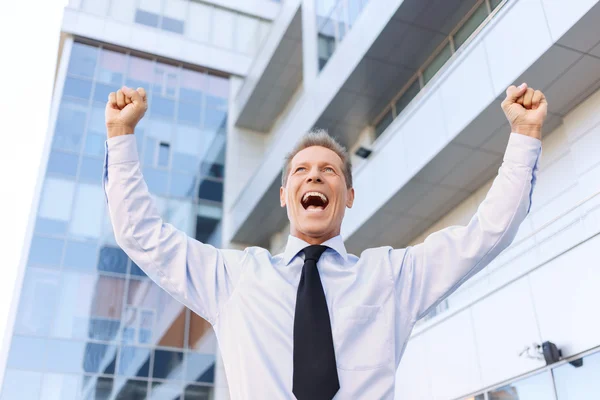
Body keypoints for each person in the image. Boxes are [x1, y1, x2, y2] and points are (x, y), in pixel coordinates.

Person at [103, 83, 546, 399]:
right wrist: (121, 137)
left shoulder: (391, 276)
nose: (314, 173)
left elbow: (487, 233)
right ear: (284, 196)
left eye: (329, 169)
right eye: (301, 170)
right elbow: (141, 235)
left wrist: (524, 138)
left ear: (348, 196)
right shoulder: (233, 278)